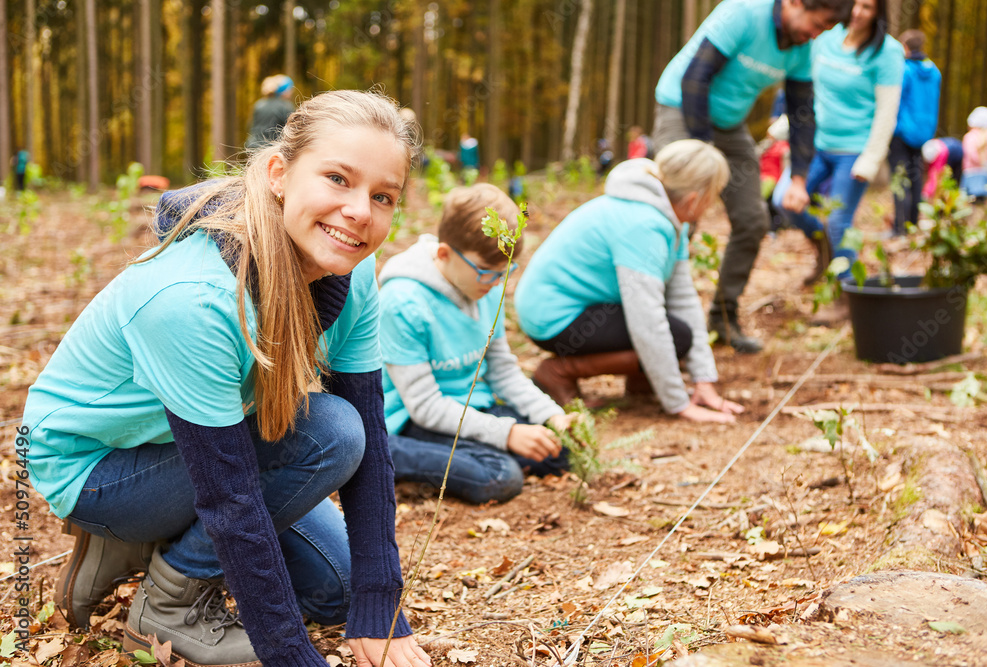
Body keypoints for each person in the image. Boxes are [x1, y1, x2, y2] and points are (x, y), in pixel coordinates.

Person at [22, 90, 431, 667]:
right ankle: (165, 601)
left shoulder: (353, 269)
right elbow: (231, 498)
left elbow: (373, 448)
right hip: (98, 467)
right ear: (279, 173)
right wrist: (293, 657)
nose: (361, 211)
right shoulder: (197, 299)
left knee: (339, 590)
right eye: (338, 178)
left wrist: (380, 605)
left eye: (382, 195)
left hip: (207, 445)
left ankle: (142, 542)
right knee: (332, 433)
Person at [651, 0, 851, 354]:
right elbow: (696, 78)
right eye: (816, 25)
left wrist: (800, 180)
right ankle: (658, 323)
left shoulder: (801, 46)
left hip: (729, 124)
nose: (815, 35)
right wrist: (702, 155)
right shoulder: (744, 12)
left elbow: (802, 114)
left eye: (823, 30)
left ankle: (723, 319)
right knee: (678, 217)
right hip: (683, 109)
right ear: (793, 3)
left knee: (753, 219)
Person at [515, 141, 745, 424]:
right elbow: (646, 322)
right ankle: (559, 371)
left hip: (585, 305)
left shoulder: (671, 219)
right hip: (553, 315)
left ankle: (644, 382)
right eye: (712, 199)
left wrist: (704, 380)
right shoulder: (643, 225)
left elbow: (682, 298)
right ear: (693, 199)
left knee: (677, 331)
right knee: (675, 336)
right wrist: (679, 404)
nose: (711, 207)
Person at [379, 184, 573, 504]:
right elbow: (426, 406)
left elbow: (503, 372)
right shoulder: (402, 303)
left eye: (504, 272)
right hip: (414, 421)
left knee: (556, 450)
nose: (497, 283)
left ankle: (482, 449)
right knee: (499, 477)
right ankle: (388, 453)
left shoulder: (487, 287)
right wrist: (507, 433)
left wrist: (551, 415)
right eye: (487, 272)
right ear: (444, 254)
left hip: (474, 406)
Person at [779, 0, 904, 304]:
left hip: (854, 152)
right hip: (817, 144)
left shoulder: (887, 52)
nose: (859, 12)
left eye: (868, 7)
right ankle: (826, 252)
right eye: (856, 4)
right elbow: (809, 92)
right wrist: (787, 125)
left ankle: (846, 296)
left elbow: (887, 111)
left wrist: (872, 158)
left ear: (878, 12)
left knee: (838, 221)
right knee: (783, 202)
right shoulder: (826, 37)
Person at [889, 29, 941, 235]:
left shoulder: (905, 70)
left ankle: (899, 228)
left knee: (899, 178)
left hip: (902, 132)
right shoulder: (935, 71)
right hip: (924, 133)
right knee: (916, 178)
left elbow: (896, 101)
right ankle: (913, 224)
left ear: (906, 47)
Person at [245, 74, 296, 151]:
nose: (291, 92)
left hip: (253, 147)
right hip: (271, 149)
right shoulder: (285, 106)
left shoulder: (259, 104)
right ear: (284, 91)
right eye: (290, 89)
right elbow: (293, 129)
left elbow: (250, 126)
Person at [960, 107, 987, 200]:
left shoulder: (969, 137)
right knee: (986, 204)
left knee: (971, 204)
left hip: (971, 174)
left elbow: (972, 156)